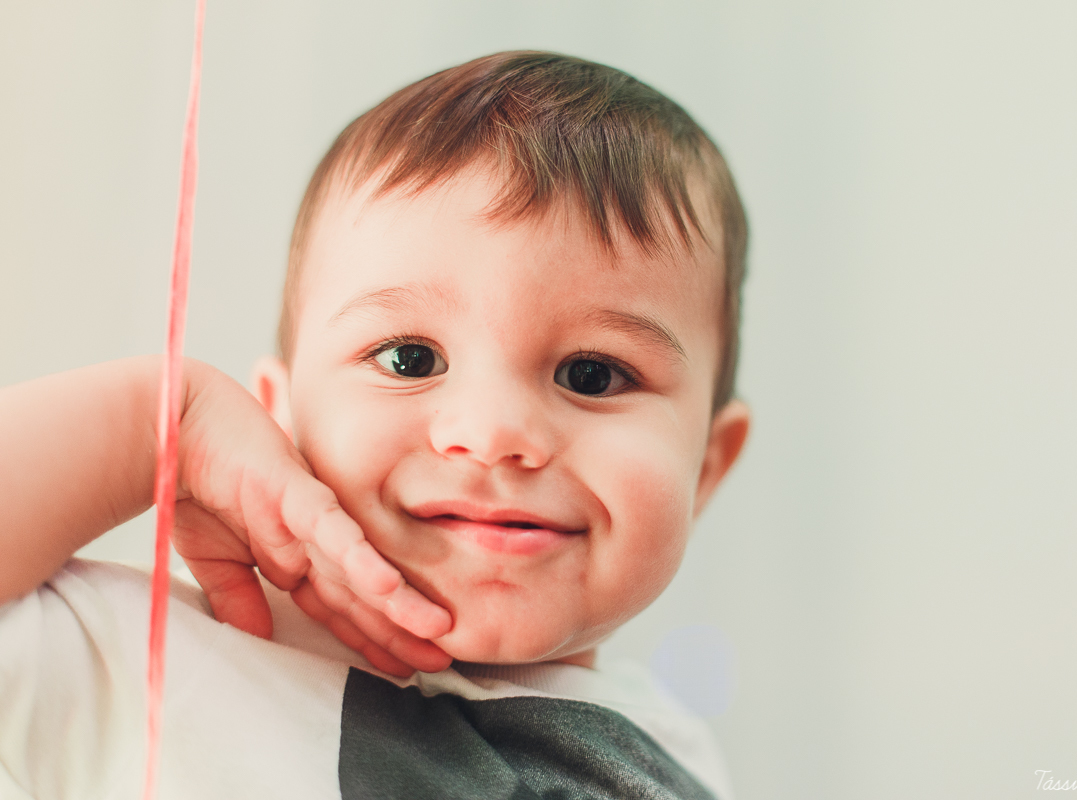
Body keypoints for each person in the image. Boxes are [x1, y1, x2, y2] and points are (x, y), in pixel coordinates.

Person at [0, 51, 751, 799]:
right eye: (409, 359)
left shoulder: (670, 757)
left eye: (592, 374)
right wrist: (154, 426)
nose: (491, 435)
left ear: (708, 466)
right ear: (279, 419)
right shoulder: (137, 665)